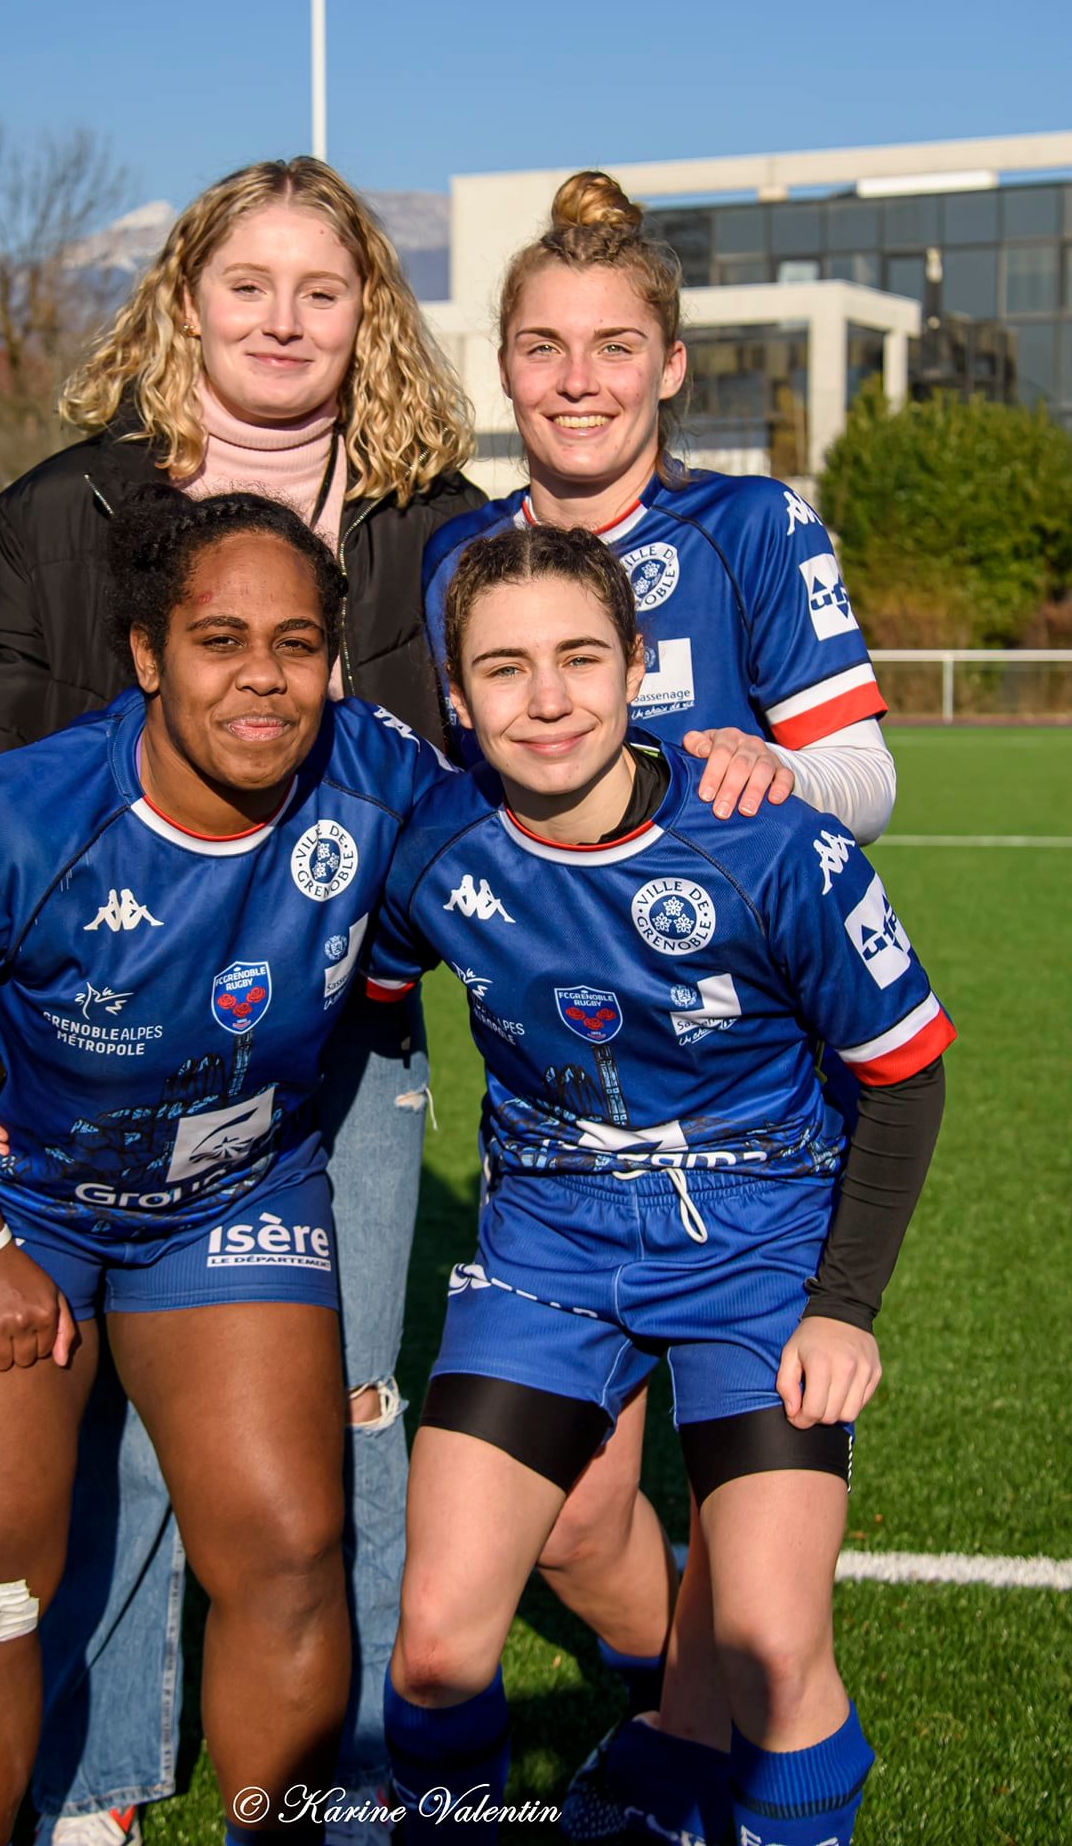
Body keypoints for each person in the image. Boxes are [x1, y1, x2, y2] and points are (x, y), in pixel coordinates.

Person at [0, 158, 480, 1845]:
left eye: (324, 289)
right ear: (183, 303)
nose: (285, 320)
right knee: (60, 1445)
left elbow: (504, 748)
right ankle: (96, 1783)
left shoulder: (433, 522)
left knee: (326, 1430)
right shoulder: (68, 509)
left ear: (370, 313)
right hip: (72, 1036)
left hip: (326, 1033)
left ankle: (323, 1799)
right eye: (249, 285)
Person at [0, 491, 458, 1846]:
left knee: (283, 1551)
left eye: (296, 641)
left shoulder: (377, 775)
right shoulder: (24, 822)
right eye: (219, 639)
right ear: (147, 654)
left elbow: (521, 853)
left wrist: (694, 776)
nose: (263, 677)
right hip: (11, 1199)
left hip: (227, 1201)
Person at [418, 171, 900, 1841]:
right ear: (502, 366)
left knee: (747, 1549)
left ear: (670, 365)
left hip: (751, 1106)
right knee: (570, 1521)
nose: (575, 379)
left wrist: (783, 776)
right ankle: (683, 1718)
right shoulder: (459, 562)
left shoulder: (752, 530)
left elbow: (862, 768)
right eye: (541, 347)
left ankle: (719, 1731)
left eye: (612, 346)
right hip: (565, 1127)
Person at [369, 523, 953, 1846]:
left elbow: (904, 1074)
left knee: (768, 1647)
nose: (551, 698)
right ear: (456, 700)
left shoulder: (764, 844)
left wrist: (841, 1307)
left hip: (759, 1257)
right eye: (504, 669)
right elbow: (358, 1000)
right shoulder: (433, 848)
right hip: (548, 1258)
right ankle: (652, 1750)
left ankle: (729, 1774)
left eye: (581, 657)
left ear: (639, 667)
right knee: (437, 1652)